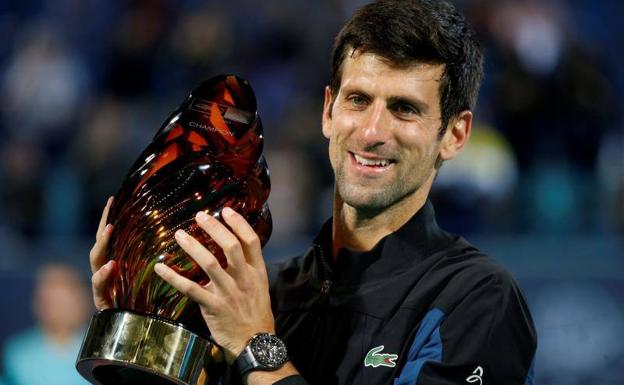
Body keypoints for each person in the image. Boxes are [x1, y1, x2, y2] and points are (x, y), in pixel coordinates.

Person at [90, 0, 537, 384]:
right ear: (328, 110)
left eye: (404, 109)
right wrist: (139, 321)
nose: (372, 131)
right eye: (358, 100)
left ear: (454, 134)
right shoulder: (263, 294)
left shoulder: (477, 300)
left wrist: (256, 346)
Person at [2, 264, 91, 385]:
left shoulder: (96, 353)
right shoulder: (18, 353)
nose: (56, 310)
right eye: (50, 301)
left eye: (61, 303)